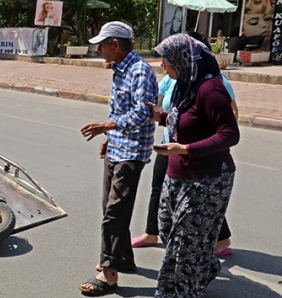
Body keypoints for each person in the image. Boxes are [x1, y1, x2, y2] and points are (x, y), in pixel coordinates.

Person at [132, 31, 238, 257]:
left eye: (167, 59)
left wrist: (185, 149)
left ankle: (190, 279)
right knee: (170, 228)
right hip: (179, 167)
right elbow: (183, 117)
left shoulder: (210, 88)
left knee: (189, 239)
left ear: (182, 59)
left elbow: (230, 133)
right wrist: (159, 118)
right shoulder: (183, 84)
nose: (162, 64)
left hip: (206, 176)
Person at [78, 21, 158, 296]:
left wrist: (107, 127)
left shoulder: (139, 71)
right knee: (110, 207)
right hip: (117, 146)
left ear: (115, 45)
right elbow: (121, 111)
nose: (98, 49)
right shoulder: (119, 69)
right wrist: (109, 138)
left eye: (102, 44)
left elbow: (143, 113)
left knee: (114, 211)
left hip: (133, 151)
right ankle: (123, 257)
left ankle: (109, 272)